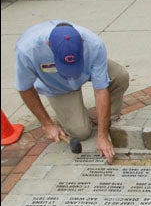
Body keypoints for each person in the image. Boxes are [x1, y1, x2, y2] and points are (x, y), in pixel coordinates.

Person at [14, 20, 129, 164]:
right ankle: (70, 115)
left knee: (120, 76)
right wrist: (47, 123)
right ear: (49, 45)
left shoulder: (94, 44)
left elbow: (100, 90)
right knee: (81, 132)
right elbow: (25, 88)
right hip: (57, 86)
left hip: (85, 72)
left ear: (82, 41)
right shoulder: (27, 50)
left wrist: (102, 135)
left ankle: (109, 117)